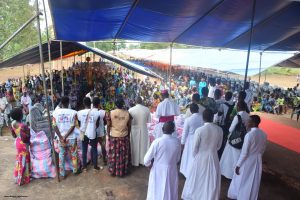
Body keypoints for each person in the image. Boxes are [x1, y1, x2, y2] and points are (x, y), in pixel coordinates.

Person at [182, 109, 223, 200]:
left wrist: (195, 156)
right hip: (213, 156)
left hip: (201, 156)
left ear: (203, 118)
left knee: (198, 178)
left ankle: (197, 196)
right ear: (212, 117)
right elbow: (219, 146)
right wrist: (212, 151)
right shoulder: (219, 130)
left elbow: (195, 148)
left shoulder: (199, 130)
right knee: (211, 179)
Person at [228, 115, 267, 200]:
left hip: (247, 160)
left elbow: (244, 153)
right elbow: (263, 148)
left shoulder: (249, 135)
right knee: (253, 181)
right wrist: (258, 157)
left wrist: (238, 165)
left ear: (253, 123)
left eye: (249, 121)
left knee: (242, 180)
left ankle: (241, 196)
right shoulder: (264, 134)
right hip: (257, 160)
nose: (246, 122)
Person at [144, 121, 181, 200]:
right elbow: (178, 159)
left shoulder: (157, 142)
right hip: (172, 169)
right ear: (173, 130)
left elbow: (146, 160)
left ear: (162, 129)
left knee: (156, 190)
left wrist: (149, 165)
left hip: (158, 169)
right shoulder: (177, 142)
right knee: (170, 189)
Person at [220, 101, 249, 179]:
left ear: (238, 107)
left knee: (230, 156)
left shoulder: (238, 116)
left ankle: (228, 174)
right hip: (244, 139)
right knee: (239, 156)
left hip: (234, 139)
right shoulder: (248, 116)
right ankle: (237, 174)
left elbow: (231, 129)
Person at [52, 96, 80, 178]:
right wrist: (66, 136)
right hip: (71, 138)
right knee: (74, 154)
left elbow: (54, 126)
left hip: (61, 139)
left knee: (61, 155)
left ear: (61, 103)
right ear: (68, 103)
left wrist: (61, 137)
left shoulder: (55, 113)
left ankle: (62, 173)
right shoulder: (73, 112)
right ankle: (75, 170)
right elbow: (73, 126)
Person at [107, 98, 131, 177]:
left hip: (114, 136)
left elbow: (108, 125)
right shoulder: (127, 113)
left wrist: (108, 134)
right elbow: (129, 125)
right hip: (124, 136)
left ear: (115, 104)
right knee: (123, 155)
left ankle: (113, 170)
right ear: (122, 104)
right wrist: (128, 134)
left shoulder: (111, 113)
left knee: (114, 154)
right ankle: (122, 171)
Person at [180, 103, 204, 178]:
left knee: (189, 156)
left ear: (190, 110)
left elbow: (185, 133)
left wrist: (182, 143)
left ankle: (188, 172)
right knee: (197, 156)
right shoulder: (202, 118)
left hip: (190, 140)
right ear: (198, 109)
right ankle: (196, 172)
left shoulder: (188, 120)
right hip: (200, 139)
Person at [77, 97, 101, 172]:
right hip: (92, 133)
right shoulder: (97, 112)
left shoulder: (79, 113)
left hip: (83, 133)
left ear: (83, 104)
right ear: (90, 103)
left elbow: (79, 123)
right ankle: (95, 166)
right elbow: (97, 125)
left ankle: (84, 167)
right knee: (94, 149)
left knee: (84, 149)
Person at [10, 108, 31, 186]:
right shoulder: (23, 126)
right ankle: (22, 179)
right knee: (24, 161)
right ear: (20, 116)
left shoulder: (13, 124)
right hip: (24, 144)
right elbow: (27, 137)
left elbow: (13, 135)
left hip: (18, 143)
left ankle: (18, 177)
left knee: (19, 160)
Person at [129, 96, 151, 167]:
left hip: (134, 129)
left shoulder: (131, 110)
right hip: (143, 128)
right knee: (143, 146)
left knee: (134, 146)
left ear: (135, 102)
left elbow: (129, 122)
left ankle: (134, 161)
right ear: (142, 101)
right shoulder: (146, 109)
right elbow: (149, 121)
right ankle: (142, 161)